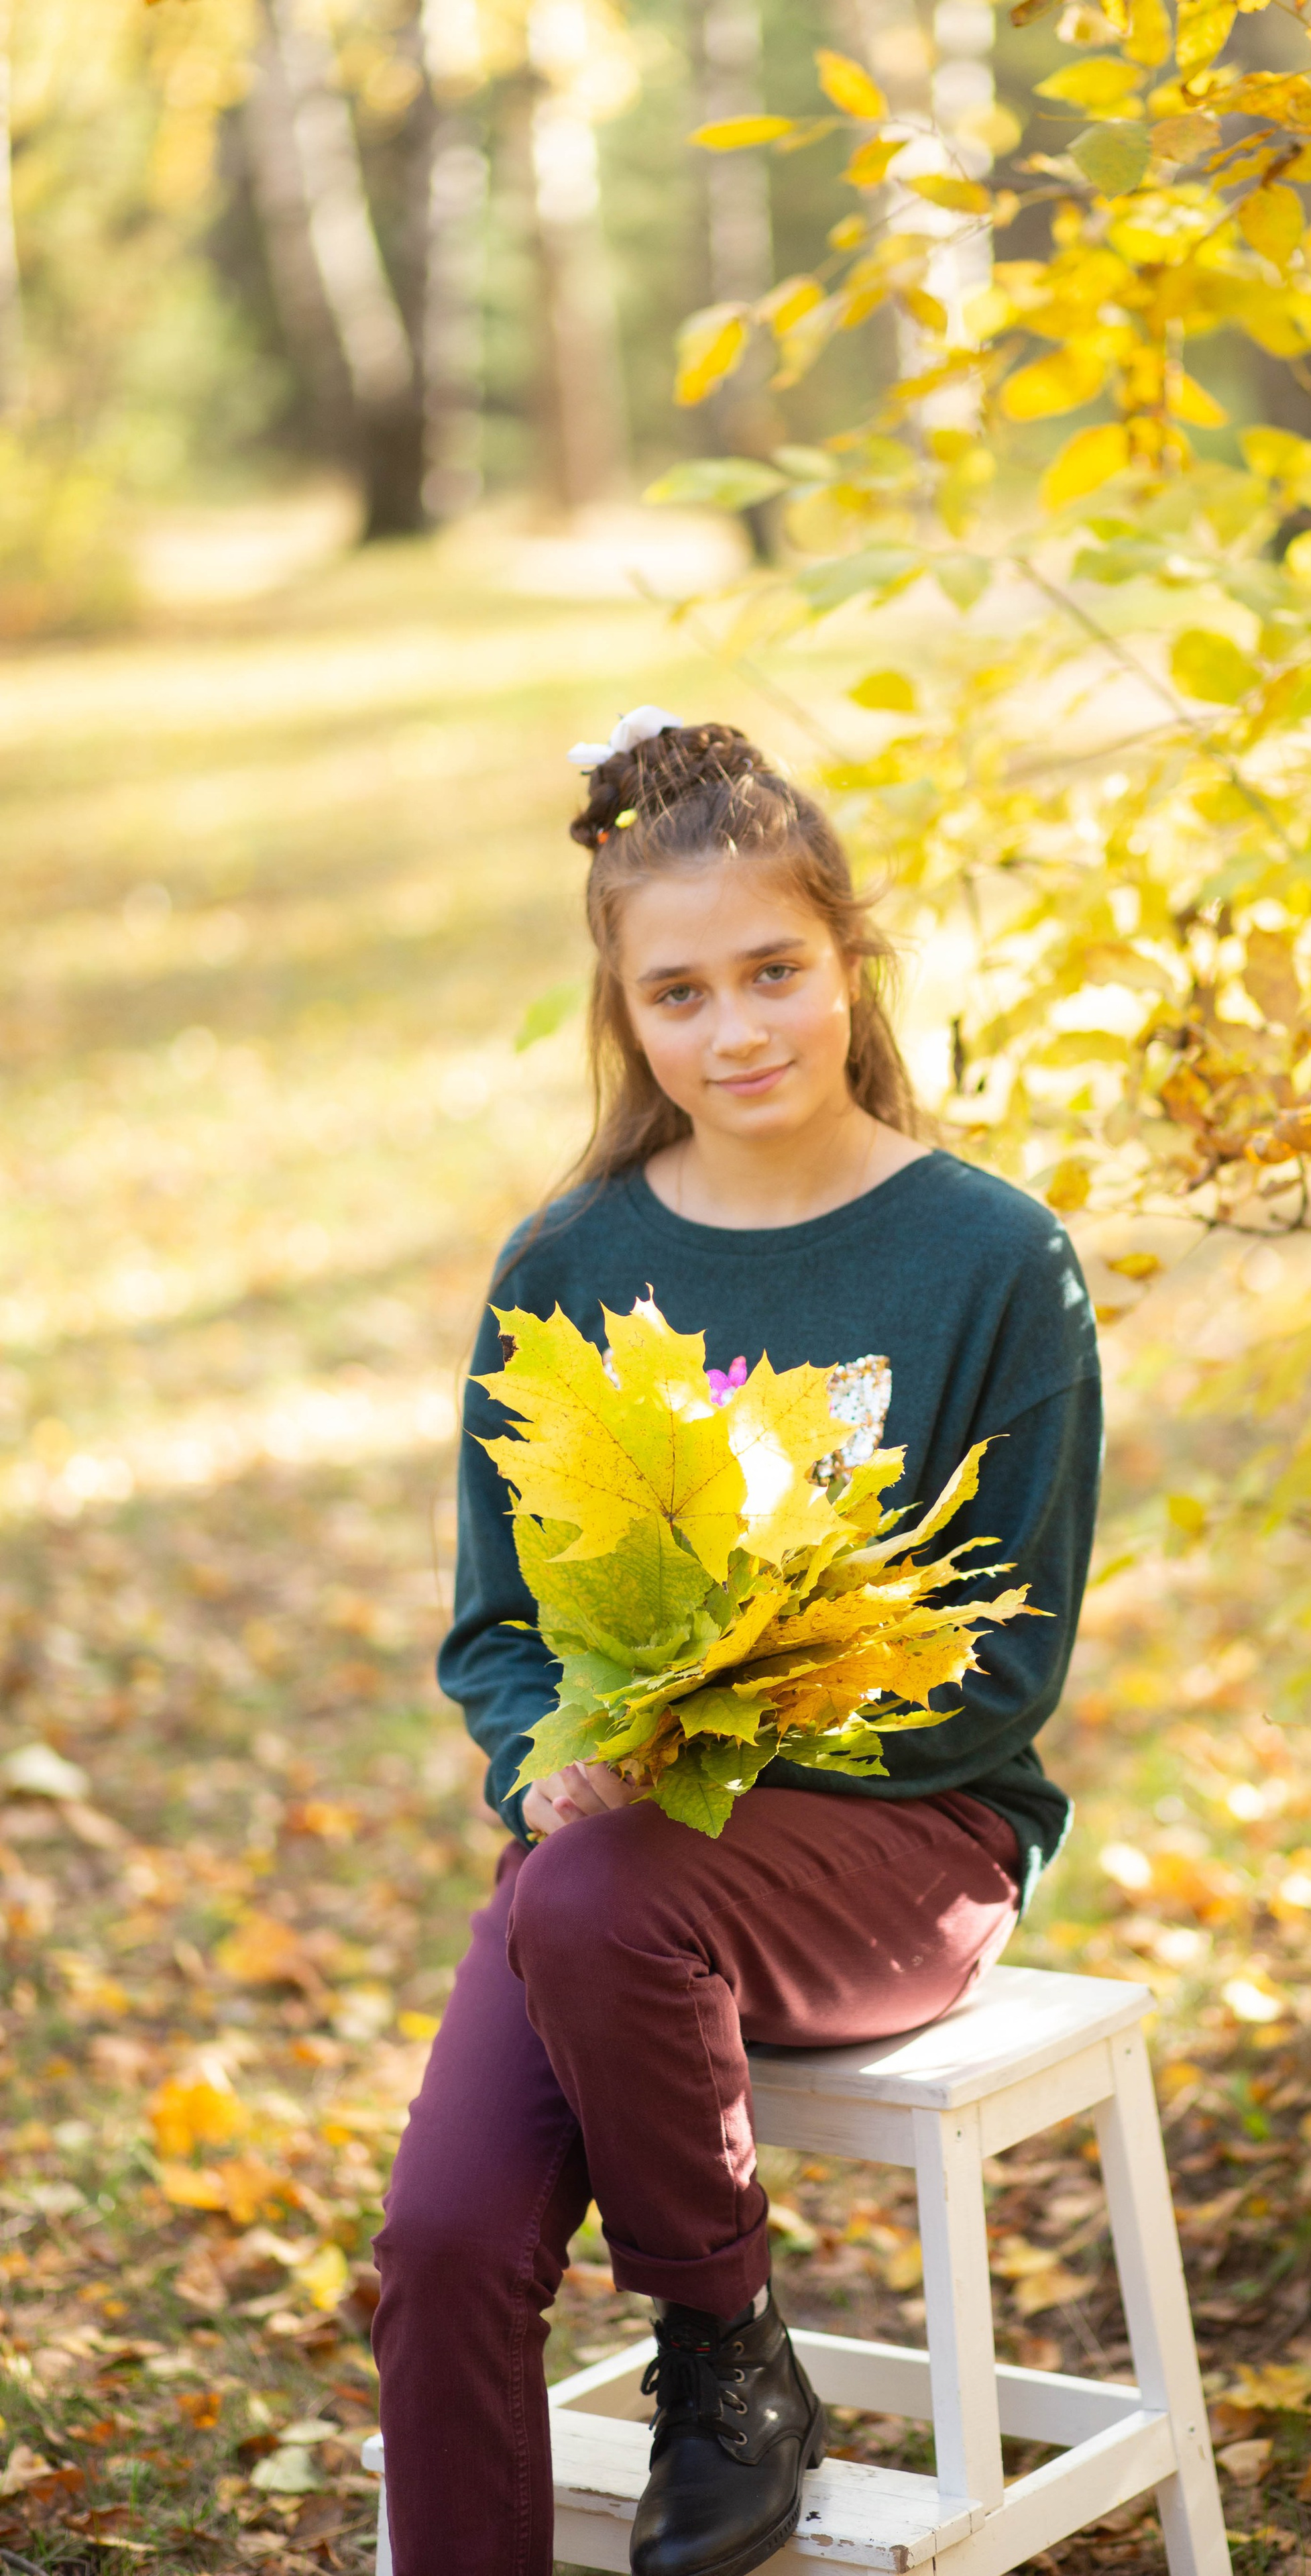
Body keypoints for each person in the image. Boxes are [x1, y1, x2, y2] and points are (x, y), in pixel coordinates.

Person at [371, 709, 1102, 2576]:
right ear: (632, 1019)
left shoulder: (994, 1259)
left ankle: (723, 2350)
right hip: (609, 1854)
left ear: (850, 959)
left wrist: (705, 1748)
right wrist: (550, 1752)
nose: (740, 1029)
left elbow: (999, 1673)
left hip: (906, 1839)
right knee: (444, 2250)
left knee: (606, 1896)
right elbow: (499, 1624)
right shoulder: (568, 1263)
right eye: (681, 994)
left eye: (774, 971)